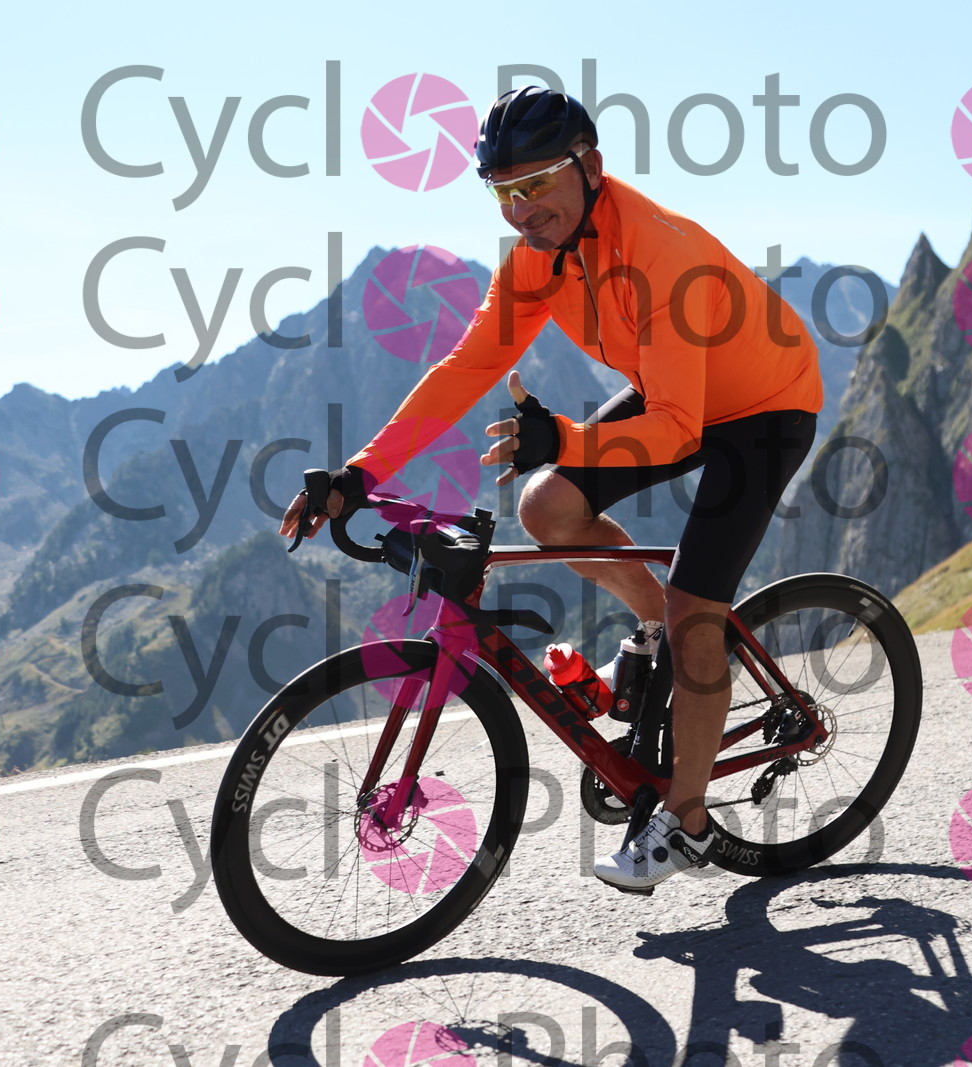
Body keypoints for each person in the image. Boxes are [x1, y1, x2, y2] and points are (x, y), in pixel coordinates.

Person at [280, 86, 822, 892]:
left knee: (695, 609)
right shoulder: (539, 259)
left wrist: (564, 438)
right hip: (677, 390)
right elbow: (465, 368)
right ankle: (655, 630)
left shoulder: (659, 253)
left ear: (590, 166)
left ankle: (689, 821)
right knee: (547, 506)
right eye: (503, 192)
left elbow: (677, 429)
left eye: (536, 184)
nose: (520, 210)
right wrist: (360, 473)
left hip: (764, 407)